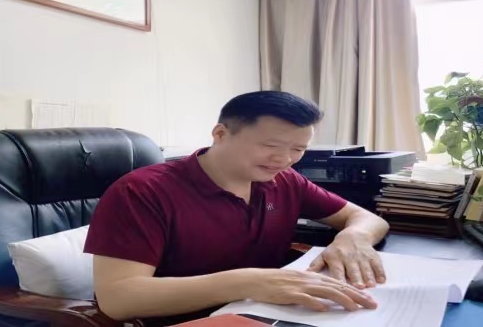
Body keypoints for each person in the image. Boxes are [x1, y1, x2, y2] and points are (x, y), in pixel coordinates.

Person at [84, 91, 390, 325]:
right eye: (270, 146)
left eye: (298, 149)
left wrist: (354, 237)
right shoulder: (142, 192)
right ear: (220, 134)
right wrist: (247, 283)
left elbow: (366, 218)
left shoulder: (284, 180)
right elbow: (118, 299)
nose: (284, 160)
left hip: (269, 312)